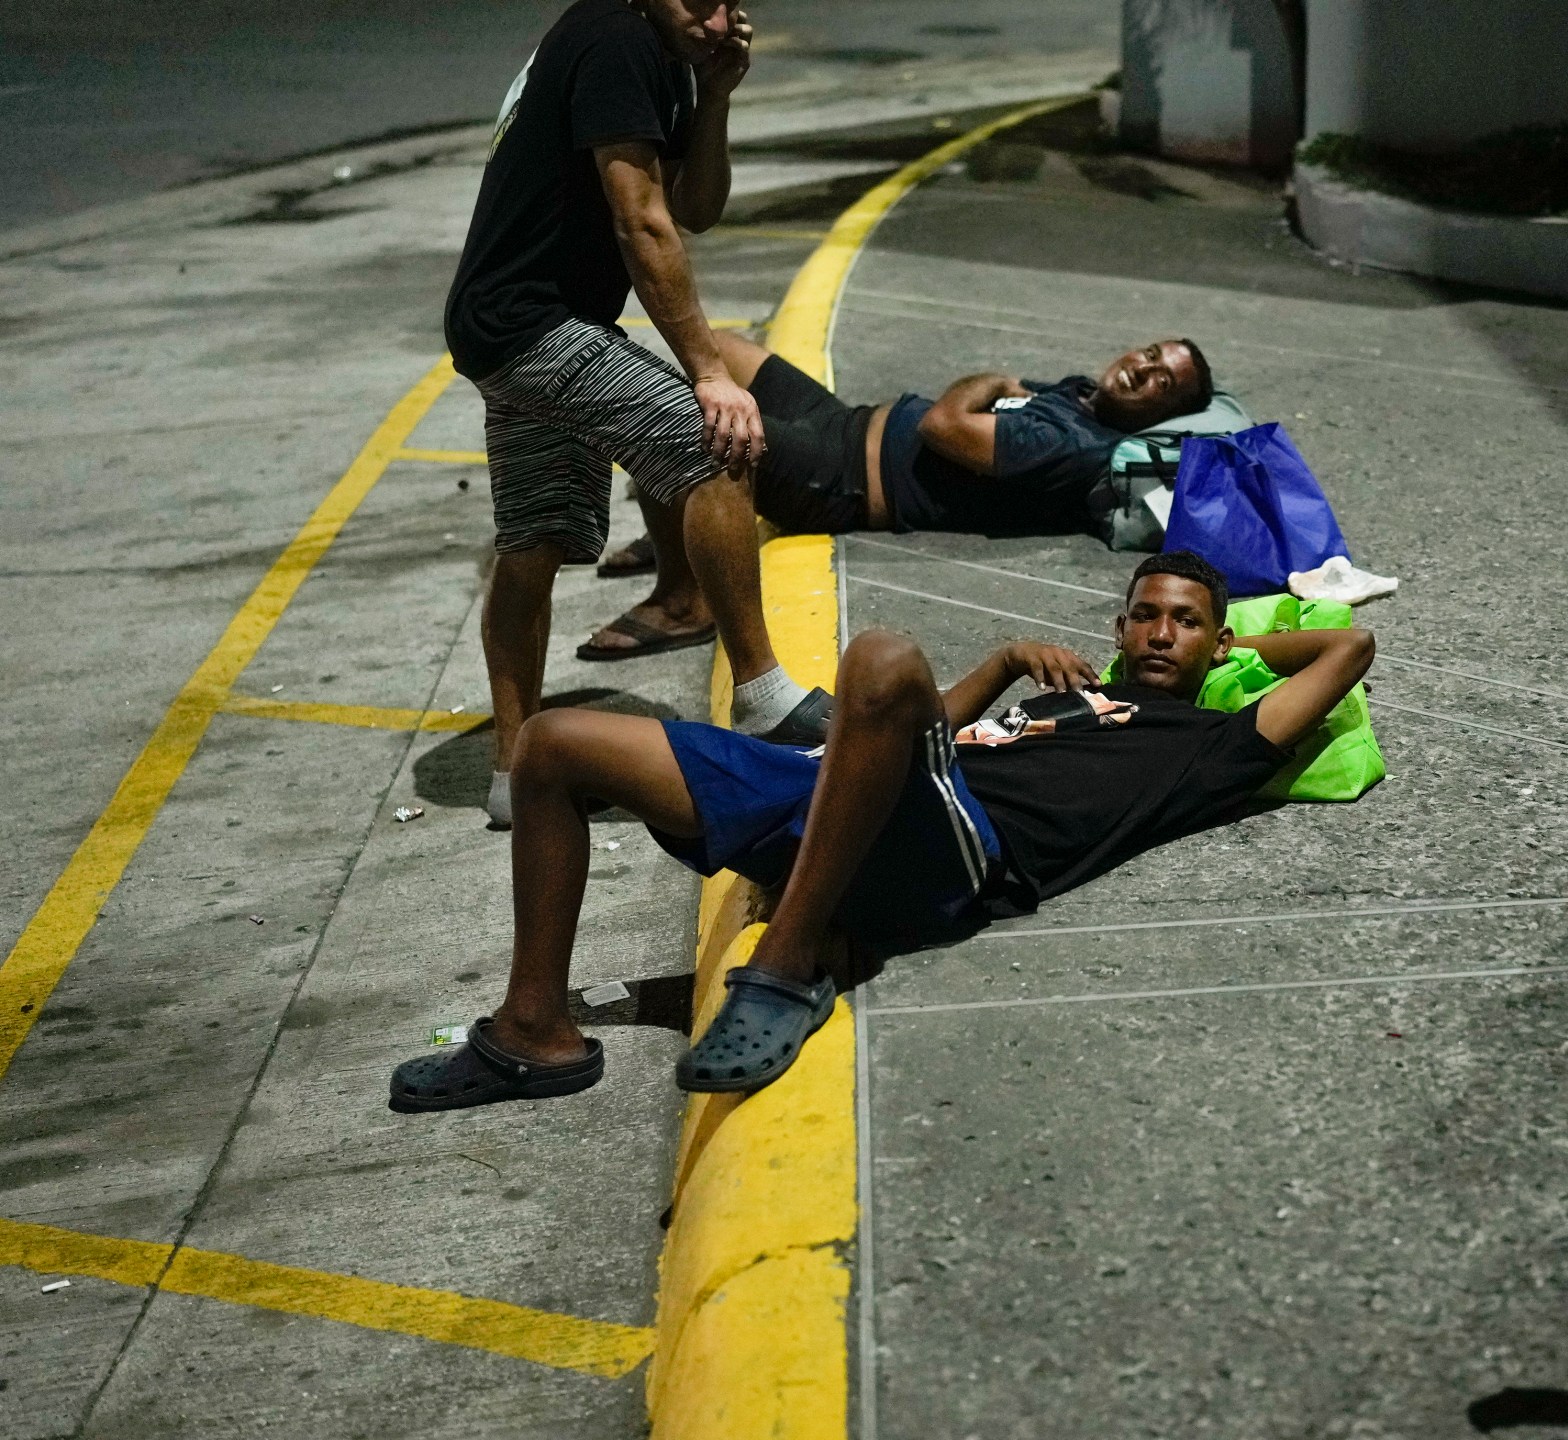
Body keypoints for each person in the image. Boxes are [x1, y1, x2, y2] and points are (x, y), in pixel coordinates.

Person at [388, 551, 1374, 1110]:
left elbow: (1348, 642)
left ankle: (787, 962)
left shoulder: (1212, 740)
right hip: (841, 793)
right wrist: (995, 666)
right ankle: (533, 1035)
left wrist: (1246, 637)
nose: (1162, 635)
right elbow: (884, 733)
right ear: (1118, 631)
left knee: (880, 655)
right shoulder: (1067, 696)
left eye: (1188, 623)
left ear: (1218, 641)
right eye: (1147, 617)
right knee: (556, 743)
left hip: (962, 844)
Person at [442, 0, 830, 833]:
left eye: (731, 2)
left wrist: (716, 92)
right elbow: (640, 219)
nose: (719, 17)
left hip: (512, 320)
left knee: (536, 539)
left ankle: (517, 776)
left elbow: (695, 205)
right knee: (716, 442)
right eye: (700, 0)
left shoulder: (658, 49)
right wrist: (707, 373)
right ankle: (764, 695)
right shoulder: (618, 36)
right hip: (533, 321)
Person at [589, 329, 1217, 578]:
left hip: (840, 480)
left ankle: (683, 598)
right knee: (714, 348)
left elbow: (945, 426)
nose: (1144, 369)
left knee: (678, 420)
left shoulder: (1074, 444)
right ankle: (680, 526)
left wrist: (992, 382)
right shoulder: (1081, 398)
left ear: (1166, 412)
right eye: (1153, 354)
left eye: (1164, 381)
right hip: (841, 422)